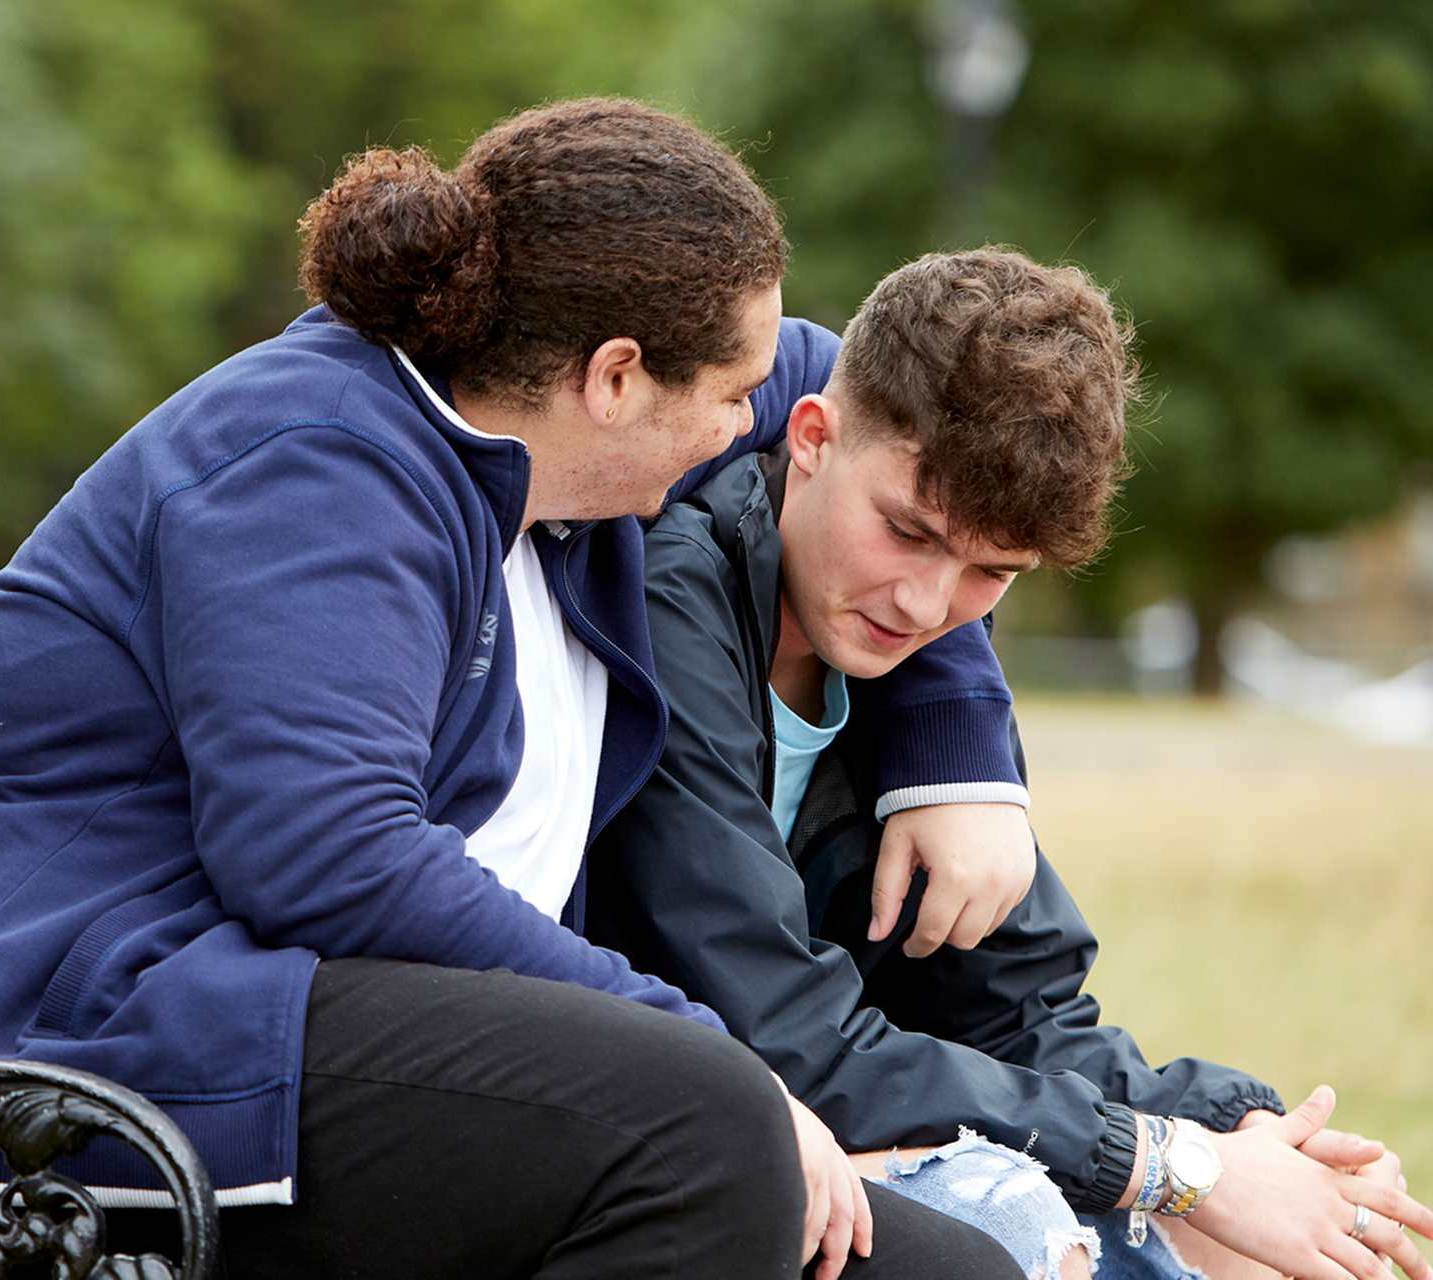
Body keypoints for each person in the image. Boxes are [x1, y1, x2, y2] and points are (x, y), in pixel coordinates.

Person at [0, 99, 1032, 1278]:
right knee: (704, 1126)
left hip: (278, 1047)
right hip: (53, 1058)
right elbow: (324, 851)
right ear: (613, 379)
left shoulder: (562, 458)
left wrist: (953, 736)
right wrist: (698, 1044)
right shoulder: (319, 463)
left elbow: (878, 429)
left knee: (942, 1264)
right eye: (723, 399)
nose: (747, 423)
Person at [587, 247, 1433, 1280]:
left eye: (992, 571)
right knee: (1046, 1227)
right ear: (812, 436)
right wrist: (1173, 1160)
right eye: (906, 530)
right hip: (669, 1139)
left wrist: (1244, 1130)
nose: (924, 603)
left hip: (845, 1123)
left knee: (1261, 1244)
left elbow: (1021, 1011)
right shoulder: (674, 596)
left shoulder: (911, 660)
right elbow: (793, 1038)